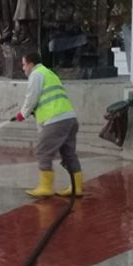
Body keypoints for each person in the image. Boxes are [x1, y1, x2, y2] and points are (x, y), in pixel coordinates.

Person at [13, 52, 83, 197]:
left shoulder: (36, 74)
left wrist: (22, 113)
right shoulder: (50, 74)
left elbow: (32, 97)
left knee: (43, 150)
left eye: (24, 64)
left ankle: (45, 187)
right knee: (69, 154)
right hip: (69, 119)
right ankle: (77, 188)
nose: (23, 68)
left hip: (55, 120)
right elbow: (45, 98)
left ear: (31, 64)